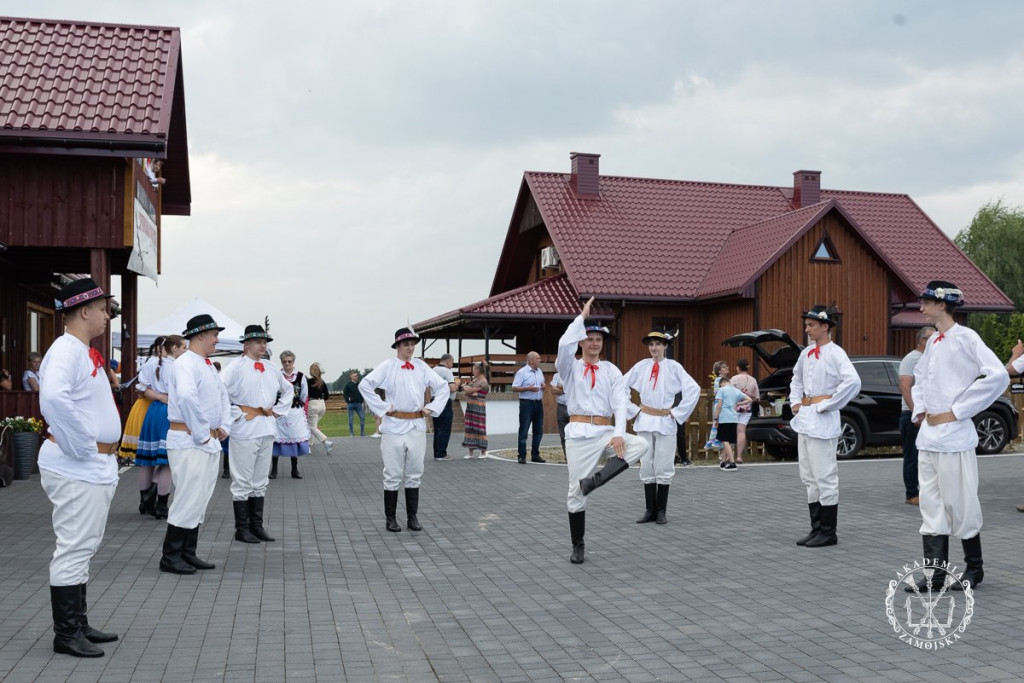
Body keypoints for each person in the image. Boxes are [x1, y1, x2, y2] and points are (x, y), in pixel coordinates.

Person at [905, 281, 1007, 592]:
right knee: (931, 506)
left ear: (942, 304)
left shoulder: (966, 337)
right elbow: (921, 379)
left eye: (926, 301)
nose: (921, 307)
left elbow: (998, 375)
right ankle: (936, 575)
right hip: (929, 438)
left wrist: (959, 409)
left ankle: (974, 570)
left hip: (954, 438)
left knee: (960, 504)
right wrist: (920, 410)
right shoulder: (934, 341)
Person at [37, 277, 120, 657]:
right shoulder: (66, 350)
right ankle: (66, 634)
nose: (107, 316)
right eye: (103, 309)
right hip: (77, 465)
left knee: (83, 546)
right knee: (73, 547)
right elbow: (53, 399)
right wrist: (85, 447)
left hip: (91, 465)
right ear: (84, 311)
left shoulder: (81, 351)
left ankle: (79, 624)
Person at [558, 297, 649, 564]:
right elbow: (564, 345)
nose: (594, 343)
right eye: (589, 338)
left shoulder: (611, 371)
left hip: (604, 432)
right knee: (575, 492)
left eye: (598, 339)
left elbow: (620, 404)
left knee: (640, 445)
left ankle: (595, 482)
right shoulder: (570, 367)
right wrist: (581, 319)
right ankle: (578, 545)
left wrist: (620, 433)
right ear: (582, 342)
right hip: (578, 434)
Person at [159, 314, 231, 575]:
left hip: (205, 440)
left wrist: (224, 426)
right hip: (189, 441)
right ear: (200, 335)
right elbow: (188, 399)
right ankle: (171, 555)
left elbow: (223, 397)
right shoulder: (185, 363)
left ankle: (188, 552)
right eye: (214, 335)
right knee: (188, 497)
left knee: (199, 499)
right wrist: (202, 433)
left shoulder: (206, 365)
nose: (217, 339)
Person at [359, 327, 450, 532]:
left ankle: (412, 517)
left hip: (416, 425)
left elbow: (443, 387)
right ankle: (390, 518)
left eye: (412, 345)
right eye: (406, 344)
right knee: (392, 472)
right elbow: (365, 385)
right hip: (394, 425)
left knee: (415, 471)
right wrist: (383, 407)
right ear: (398, 346)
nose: (410, 348)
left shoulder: (421, 366)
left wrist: (433, 408)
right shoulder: (388, 366)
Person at [790, 305, 861, 548]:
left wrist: (827, 405)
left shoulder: (836, 353)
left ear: (825, 326)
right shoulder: (806, 353)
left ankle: (829, 531)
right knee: (808, 475)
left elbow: (853, 382)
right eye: (806, 324)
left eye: (811, 325)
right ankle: (816, 528)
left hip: (822, 417)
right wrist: (795, 402)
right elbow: (795, 379)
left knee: (825, 475)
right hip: (806, 418)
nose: (807, 328)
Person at [222, 325, 292, 544]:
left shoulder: (271, 368)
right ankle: (241, 529)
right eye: (258, 342)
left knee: (260, 479)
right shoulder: (235, 367)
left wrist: (278, 410)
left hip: (266, 426)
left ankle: (257, 526)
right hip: (245, 428)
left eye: (265, 342)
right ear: (246, 345)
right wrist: (234, 413)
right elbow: (219, 389)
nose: (263, 346)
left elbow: (288, 389)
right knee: (242, 480)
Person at [624, 330, 700, 524]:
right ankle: (650, 510)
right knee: (646, 462)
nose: (654, 348)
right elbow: (620, 386)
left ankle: (661, 511)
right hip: (645, 418)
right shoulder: (641, 366)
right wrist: (632, 410)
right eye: (651, 344)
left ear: (665, 346)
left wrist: (676, 412)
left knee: (664, 463)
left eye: (658, 344)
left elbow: (694, 389)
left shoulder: (674, 367)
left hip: (665, 419)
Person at [135, 335, 187, 520]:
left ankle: (145, 502)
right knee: (167, 461)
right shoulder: (179, 367)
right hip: (170, 413)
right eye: (183, 348)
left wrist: (157, 396)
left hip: (154, 411)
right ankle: (162, 506)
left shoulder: (151, 363)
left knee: (148, 460)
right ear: (174, 349)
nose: (185, 352)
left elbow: (140, 386)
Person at [898, 326, 936, 506]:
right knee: (912, 456)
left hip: (931, 415)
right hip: (912, 414)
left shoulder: (934, 358)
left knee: (928, 457)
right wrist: (916, 412)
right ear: (921, 340)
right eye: (930, 337)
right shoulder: (911, 359)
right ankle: (912, 493)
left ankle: (929, 491)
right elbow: (905, 387)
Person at [119, 340, 164, 463]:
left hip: (153, 405)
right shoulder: (152, 363)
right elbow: (140, 390)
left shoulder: (168, 363)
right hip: (146, 404)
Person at [271, 350, 310, 480]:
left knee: (294, 438)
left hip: (294, 412)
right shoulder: (277, 375)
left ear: (293, 362)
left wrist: (297, 404)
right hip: (279, 412)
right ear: (281, 362)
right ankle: (274, 470)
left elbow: (304, 394)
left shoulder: (300, 376)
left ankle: (294, 469)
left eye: (290, 361)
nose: (287, 364)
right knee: (276, 439)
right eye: (284, 361)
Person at [512, 351, 546, 463]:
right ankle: (521, 456)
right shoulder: (522, 372)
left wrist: (543, 386)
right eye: (538, 358)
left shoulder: (539, 371)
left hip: (538, 403)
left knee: (538, 431)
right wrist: (527, 389)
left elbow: (542, 384)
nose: (540, 360)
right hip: (526, 404)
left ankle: (535, 455)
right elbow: (514, 387)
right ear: (531, 360)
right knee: (524, 430)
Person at [712, 378, 752, 471]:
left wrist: (716, 417)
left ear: (722, 383)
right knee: (729, 440)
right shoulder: (736, 391)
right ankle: (723, 461)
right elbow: (749, 399)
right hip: (734, 417)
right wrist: (738, 403)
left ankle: (732, 462)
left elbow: (719, 405)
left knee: (724, 440)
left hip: (724, 417)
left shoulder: (721, 390)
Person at [731, 359, 760, 464]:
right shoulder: (753, 380)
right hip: (747, 408)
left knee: (730, 431)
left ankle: (727, 456)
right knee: (741, 431)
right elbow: (757, 397)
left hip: (734, 407)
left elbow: (729, 393)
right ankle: (739, 456)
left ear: (738, 367)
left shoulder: (734, 379)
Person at [431, 354, 459, 460]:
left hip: (434, 400)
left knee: (437, 428)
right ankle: (442, 453)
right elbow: (452, 388)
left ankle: (437, 452)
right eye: (452, 362)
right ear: (448, 362)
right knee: (445, 427)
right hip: (444, 401)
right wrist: (457, 384)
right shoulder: (446, 371)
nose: (452, 365)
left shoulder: (434, 370)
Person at [461, 361, 489, 458]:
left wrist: (466, 388)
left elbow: (469, 390)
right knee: (470, 426)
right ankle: (470, 452)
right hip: (471, 405)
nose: (473, 372)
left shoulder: (483, 381)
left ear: (478, 370)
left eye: (474, 370)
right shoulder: (475, 381)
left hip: (478, 406)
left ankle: (483, 452)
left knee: (479, 426)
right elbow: (467, 392)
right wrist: (469, 391)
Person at [306, 362, 334, 454]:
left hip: (313, 404)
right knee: (313, 426)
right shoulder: (322, 382)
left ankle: (326, 441)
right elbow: (327, 396)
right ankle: (309, 443)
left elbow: (305, 394)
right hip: (322, 405)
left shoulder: (308, 382)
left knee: (311, 427)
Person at [550, 370, 570, 456]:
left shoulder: (573, 375)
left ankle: (573, 457)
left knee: (573, 434)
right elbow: (553, 391)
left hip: (572, 408)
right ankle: (566, 457)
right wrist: (567, 389)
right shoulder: (556, 376)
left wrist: (560, 386)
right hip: (561, 407)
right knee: (563, 435)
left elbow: (575, 388)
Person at [343, 371, 366, 436]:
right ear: (351, 377)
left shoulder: (360, 384)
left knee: (362, 417)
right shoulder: (348, 385)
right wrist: (348, 400)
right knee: (351, 418)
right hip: (351, 404)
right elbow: (345, 394)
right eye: (355, 376)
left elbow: (362, 392)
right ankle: (351, 433)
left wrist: (361, 400)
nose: (357, 377)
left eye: (357, 376)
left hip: (358, 404)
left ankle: (362, 433)